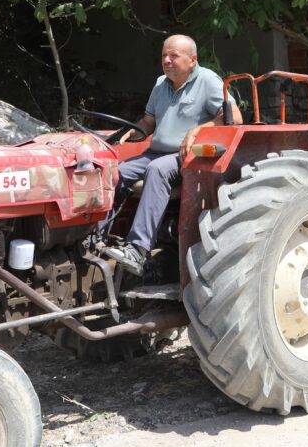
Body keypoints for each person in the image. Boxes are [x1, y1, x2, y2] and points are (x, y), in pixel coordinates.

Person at [101, 34, 241, 273]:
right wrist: (132, 131)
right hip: (155, 152)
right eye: (164, 55)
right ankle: (97, 239)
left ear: (192, 60)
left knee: (157, 170)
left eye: (173, 56)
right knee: (114, 173)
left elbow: (233, 118)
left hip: (186, 157)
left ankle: (137, 250)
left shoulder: (207, 81)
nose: (166, 60)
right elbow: (148, 121)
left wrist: (197, 130)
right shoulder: (160, 84)